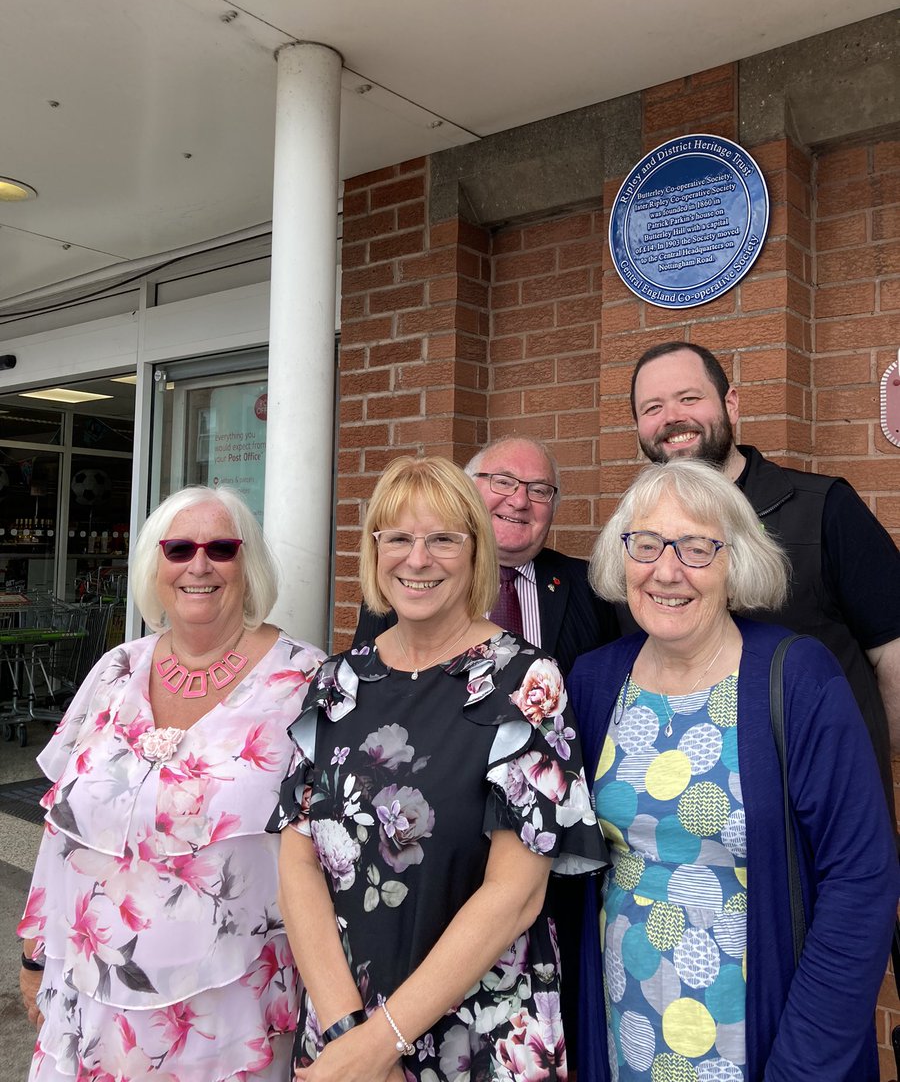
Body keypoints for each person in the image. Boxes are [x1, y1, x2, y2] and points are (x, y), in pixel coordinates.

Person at [270, 455, 606, 1081]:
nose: (416, 559)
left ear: (476, 552)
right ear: (374, 552)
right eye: (397, 537)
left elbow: (516, 893)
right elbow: (298, 862)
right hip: (345, 1023)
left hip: (481, 1032)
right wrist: (350, 1034)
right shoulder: (335, 684)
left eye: (442, 539)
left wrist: (384, 1044)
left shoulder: (523, 683)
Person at [567, 459, 898, 1081]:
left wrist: (804, 1067)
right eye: (646, 544)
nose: (667, 570)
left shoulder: (798, 677)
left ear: (736, 562)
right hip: (624, 1030)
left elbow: (861, 881)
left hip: (765, 1041)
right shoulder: (593, 680)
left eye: (697, 547)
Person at [17, 485, 324, 1082]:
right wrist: (33, 957)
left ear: (249, 563)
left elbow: (329, 857)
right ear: (155, 567)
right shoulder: (117, 668)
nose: (199, 564)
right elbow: (62, 832)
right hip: (88, 994)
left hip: (230, 1009)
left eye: (221, 548)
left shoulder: (308, 682)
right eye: (179, 548)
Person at [629, 339, 900, 808]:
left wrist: (862, 764)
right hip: (690, 809)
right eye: (653, 407)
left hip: (818, 809)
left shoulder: (823, 509)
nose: (672, 417)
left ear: (730, 404)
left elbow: (893, 655)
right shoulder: (637, 539)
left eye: (689, 398)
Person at [354, 436, 618, 676]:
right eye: (502, 482)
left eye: (538, 490)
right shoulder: (408, 583)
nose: (519, 501)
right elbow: (365, 681)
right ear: (467, 494)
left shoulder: (591, 588)